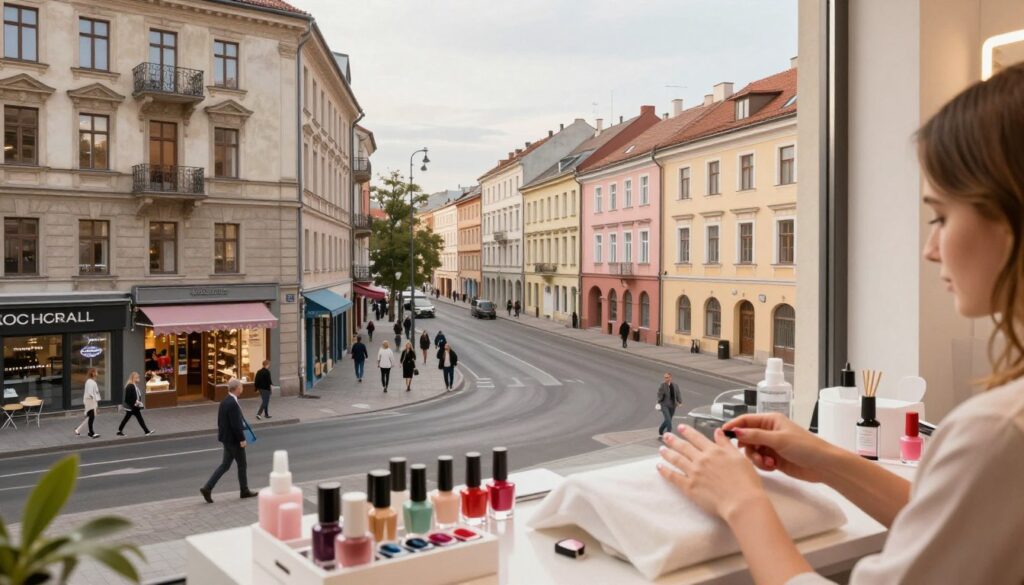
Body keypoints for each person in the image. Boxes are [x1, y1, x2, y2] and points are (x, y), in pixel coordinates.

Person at [657, 65, 1024, 584]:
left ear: (1010, 218)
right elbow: (963, 521)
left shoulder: (999, 430)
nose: (930, 247)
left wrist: (741, 502)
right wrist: (828, 461)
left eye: (941, 216)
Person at [200, 378, 256, 503]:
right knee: (242, 465)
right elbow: (236, 425)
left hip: (227, 439)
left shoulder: (225, 401)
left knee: (225, 465)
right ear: (237, 389)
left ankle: (207, 488)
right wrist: (242, 439)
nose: (242, 388)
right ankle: (244, 490)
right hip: (234, 440)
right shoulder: (232, 403)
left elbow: (221, 422)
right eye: (241, 386)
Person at [117, 371, 153, 436]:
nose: (139, 378)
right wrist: (135, 403)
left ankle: (119, 431)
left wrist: (138, 402)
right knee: (139, 419)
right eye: (137, 377)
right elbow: (127, 398)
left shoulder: (134, 385)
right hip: (132, 407)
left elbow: (136, 395)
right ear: (134, 378)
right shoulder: (130, 386)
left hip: (134, 406)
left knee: (128, 418)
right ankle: (147, 431)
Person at [74, 368, 102, 439]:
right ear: (92, 373)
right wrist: (94, 400)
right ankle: (91, 433)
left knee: (90, 417)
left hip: (91, 401)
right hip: (90, 401)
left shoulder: (91, 381)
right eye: (96, 372)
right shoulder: (90, 382)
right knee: (91, 417)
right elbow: (90, 392)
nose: (97, 373)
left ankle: (78, 429)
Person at [656, 373, 681, 438]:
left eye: (667, 377)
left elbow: (678, 393)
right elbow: (659, 394)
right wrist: (659, 400)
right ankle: (668, 434)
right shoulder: (662, 385)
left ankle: (660, 430)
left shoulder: (675, 385)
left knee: (668, 419)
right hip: (664, 405)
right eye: (665, 377)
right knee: (669, 420)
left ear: (670, 378)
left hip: (673, 405)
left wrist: (679, 401)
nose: (666, 379)